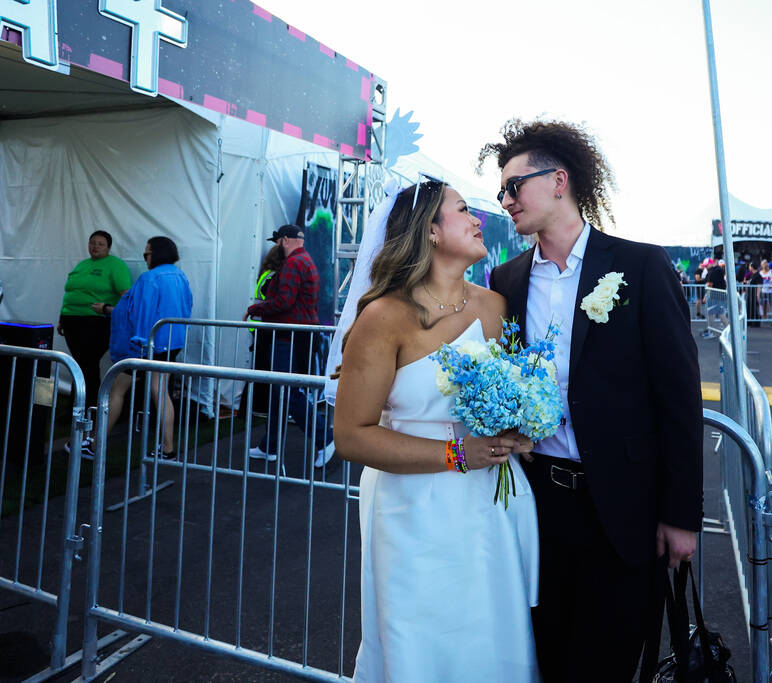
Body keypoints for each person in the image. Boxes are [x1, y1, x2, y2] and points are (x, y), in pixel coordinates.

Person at [480, 118, 703, 682]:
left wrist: (681, 516)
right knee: (545, 655)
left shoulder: (640, 265)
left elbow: (679, 398)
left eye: (513, 185)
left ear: (559, 181)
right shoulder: (505, 280)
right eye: (501, 190)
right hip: (536, 503)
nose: (504, 199)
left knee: (605, 662)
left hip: (624, 509)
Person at [330, 180, 540, 681]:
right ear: (430, 230)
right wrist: (458, 454)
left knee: (491, 631)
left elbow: (504, 397)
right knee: (422, 636)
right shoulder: (385, 317)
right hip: (413, 509)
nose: (479, 219)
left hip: (488, 502)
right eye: (465, 210)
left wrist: (520, 428)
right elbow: (352, 435)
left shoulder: (494, 306)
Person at [245, 225, 333, 466]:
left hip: (289, 337)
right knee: (281, 390)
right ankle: (270, 446)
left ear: (284, 240)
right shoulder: (302, 261)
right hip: (292, 336)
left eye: (277, 241)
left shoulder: (295, 264)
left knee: (288, 391)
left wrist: (255, 309)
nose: (275, 246)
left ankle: (325, 438)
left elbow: (284, 301)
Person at [102, 236, 193, 459]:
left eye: (146, 254)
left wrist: (140, 341)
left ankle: (96, 444)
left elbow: (141, 312)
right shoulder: (180, 275)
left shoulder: (149, 278)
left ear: (157, 254)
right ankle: (168, 448)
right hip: (173, 341)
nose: (145, 258)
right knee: (160, 391)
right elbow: (188, 305)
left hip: (148, 343)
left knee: (117, 390)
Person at [57, 230, 132, 409]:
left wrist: (110, 310)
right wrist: (61, 317)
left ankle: (87, 407)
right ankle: (79, 406)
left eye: (100, 244)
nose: (95, 247)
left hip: (96, 322)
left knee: (87, 363)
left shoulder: (115, 265)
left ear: (108, 247)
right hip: (71, 321)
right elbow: (71, 293)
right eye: (92, 243)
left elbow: (127, 296)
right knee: (79, 363)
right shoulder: (82, 265)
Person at [247, 243, 286, 415]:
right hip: (265, 327)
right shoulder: (273, 277)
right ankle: (261, 407)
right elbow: (272, 303)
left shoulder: (266, 275)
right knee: (265, 368)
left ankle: (257, 407)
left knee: (261, 367)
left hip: (260, 326)